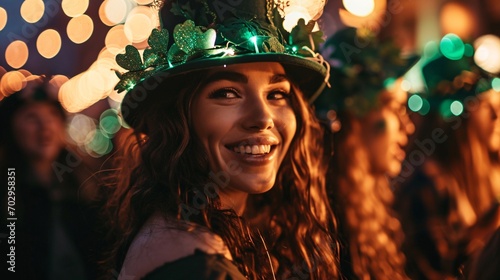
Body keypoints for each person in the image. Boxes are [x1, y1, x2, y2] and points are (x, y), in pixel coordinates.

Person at [104, 0, 340, 279]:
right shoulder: (197, 267)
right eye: (227, 93)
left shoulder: (234, 233)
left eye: (277, 94)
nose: (263, 118)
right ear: (177, 119)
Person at [315, 27, 417, 279]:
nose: (408, 126)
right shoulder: (324, 221)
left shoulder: (371, 199)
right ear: (355, 119)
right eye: (396, 108)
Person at [394, 44, 500, 279]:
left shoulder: (492, 172)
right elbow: (437, 269)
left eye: (497, 106)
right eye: (484, 106)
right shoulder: (426, 182)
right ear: (458, 116)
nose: (496, 116)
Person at [0, 77, 101, 279]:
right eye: (31, 117)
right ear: (10, 129)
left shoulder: (88, 184)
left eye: (52, 115)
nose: (44, 126)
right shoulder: (8, 194)